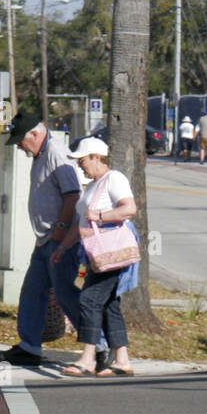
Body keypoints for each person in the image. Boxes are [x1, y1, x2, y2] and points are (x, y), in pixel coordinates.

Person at [0, 112, 84, 367]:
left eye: (21, 141)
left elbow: (73, 196)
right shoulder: (40, 153)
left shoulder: (56, 153)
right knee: (33, 292)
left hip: (59, 239)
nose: (20, 147)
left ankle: (98, 344)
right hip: (45, 240)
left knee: (65, 293)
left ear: (35, 134)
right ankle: (29, 347)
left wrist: (60, 230)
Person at [54, 136, 139, 378]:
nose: (80, 164)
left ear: (97, 157)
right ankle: (122, 360)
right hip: (98, 255)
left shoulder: (114, 179)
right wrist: (63, 247)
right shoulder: (92, 185)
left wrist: (100, 216)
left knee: (89, 300)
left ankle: (88, 358)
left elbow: (129, 209)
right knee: (109, 304)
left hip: (111, 252)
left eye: (83, 160)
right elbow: (80, 224)